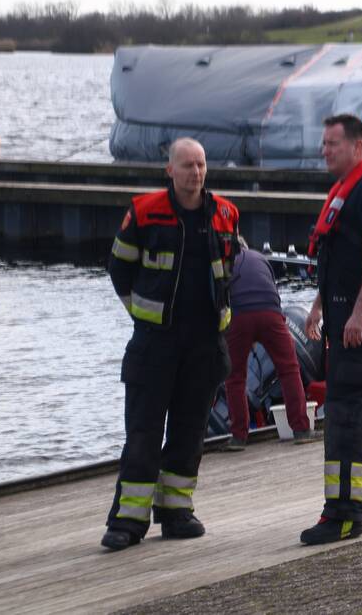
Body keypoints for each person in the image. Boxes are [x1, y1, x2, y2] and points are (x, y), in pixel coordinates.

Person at [102, 137, 240, 551]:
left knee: (189, 431)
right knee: (143, 431)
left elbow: (229, 268)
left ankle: (176, 511)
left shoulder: (226, 213)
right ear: (170, 171)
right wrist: (143, 314)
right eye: (187, 166)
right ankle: (128, 520)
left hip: (204, 342)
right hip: (156, 342)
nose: (195, 173)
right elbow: (118, 269)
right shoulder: (144, 212)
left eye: (200, 165)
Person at [299, 114, 362, 545]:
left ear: (358, 147)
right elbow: (337, 260)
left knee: (342, 413)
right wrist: (319, 306)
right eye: (323, 144)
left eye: (333, 144)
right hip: (340, 315)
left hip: (359, 323)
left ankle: (342, 513)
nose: (325, 150)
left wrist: (359, 312)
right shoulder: (347, 190)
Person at [222, 238, 318, 451]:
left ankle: (238, 436)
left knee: (235, 377)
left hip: (240, 316)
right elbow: (272, 292)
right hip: (271, 314)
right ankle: (301, 430)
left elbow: (220, 298)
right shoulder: (260, 258)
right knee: (289, 370)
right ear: (247, 246)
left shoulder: (223, 263)